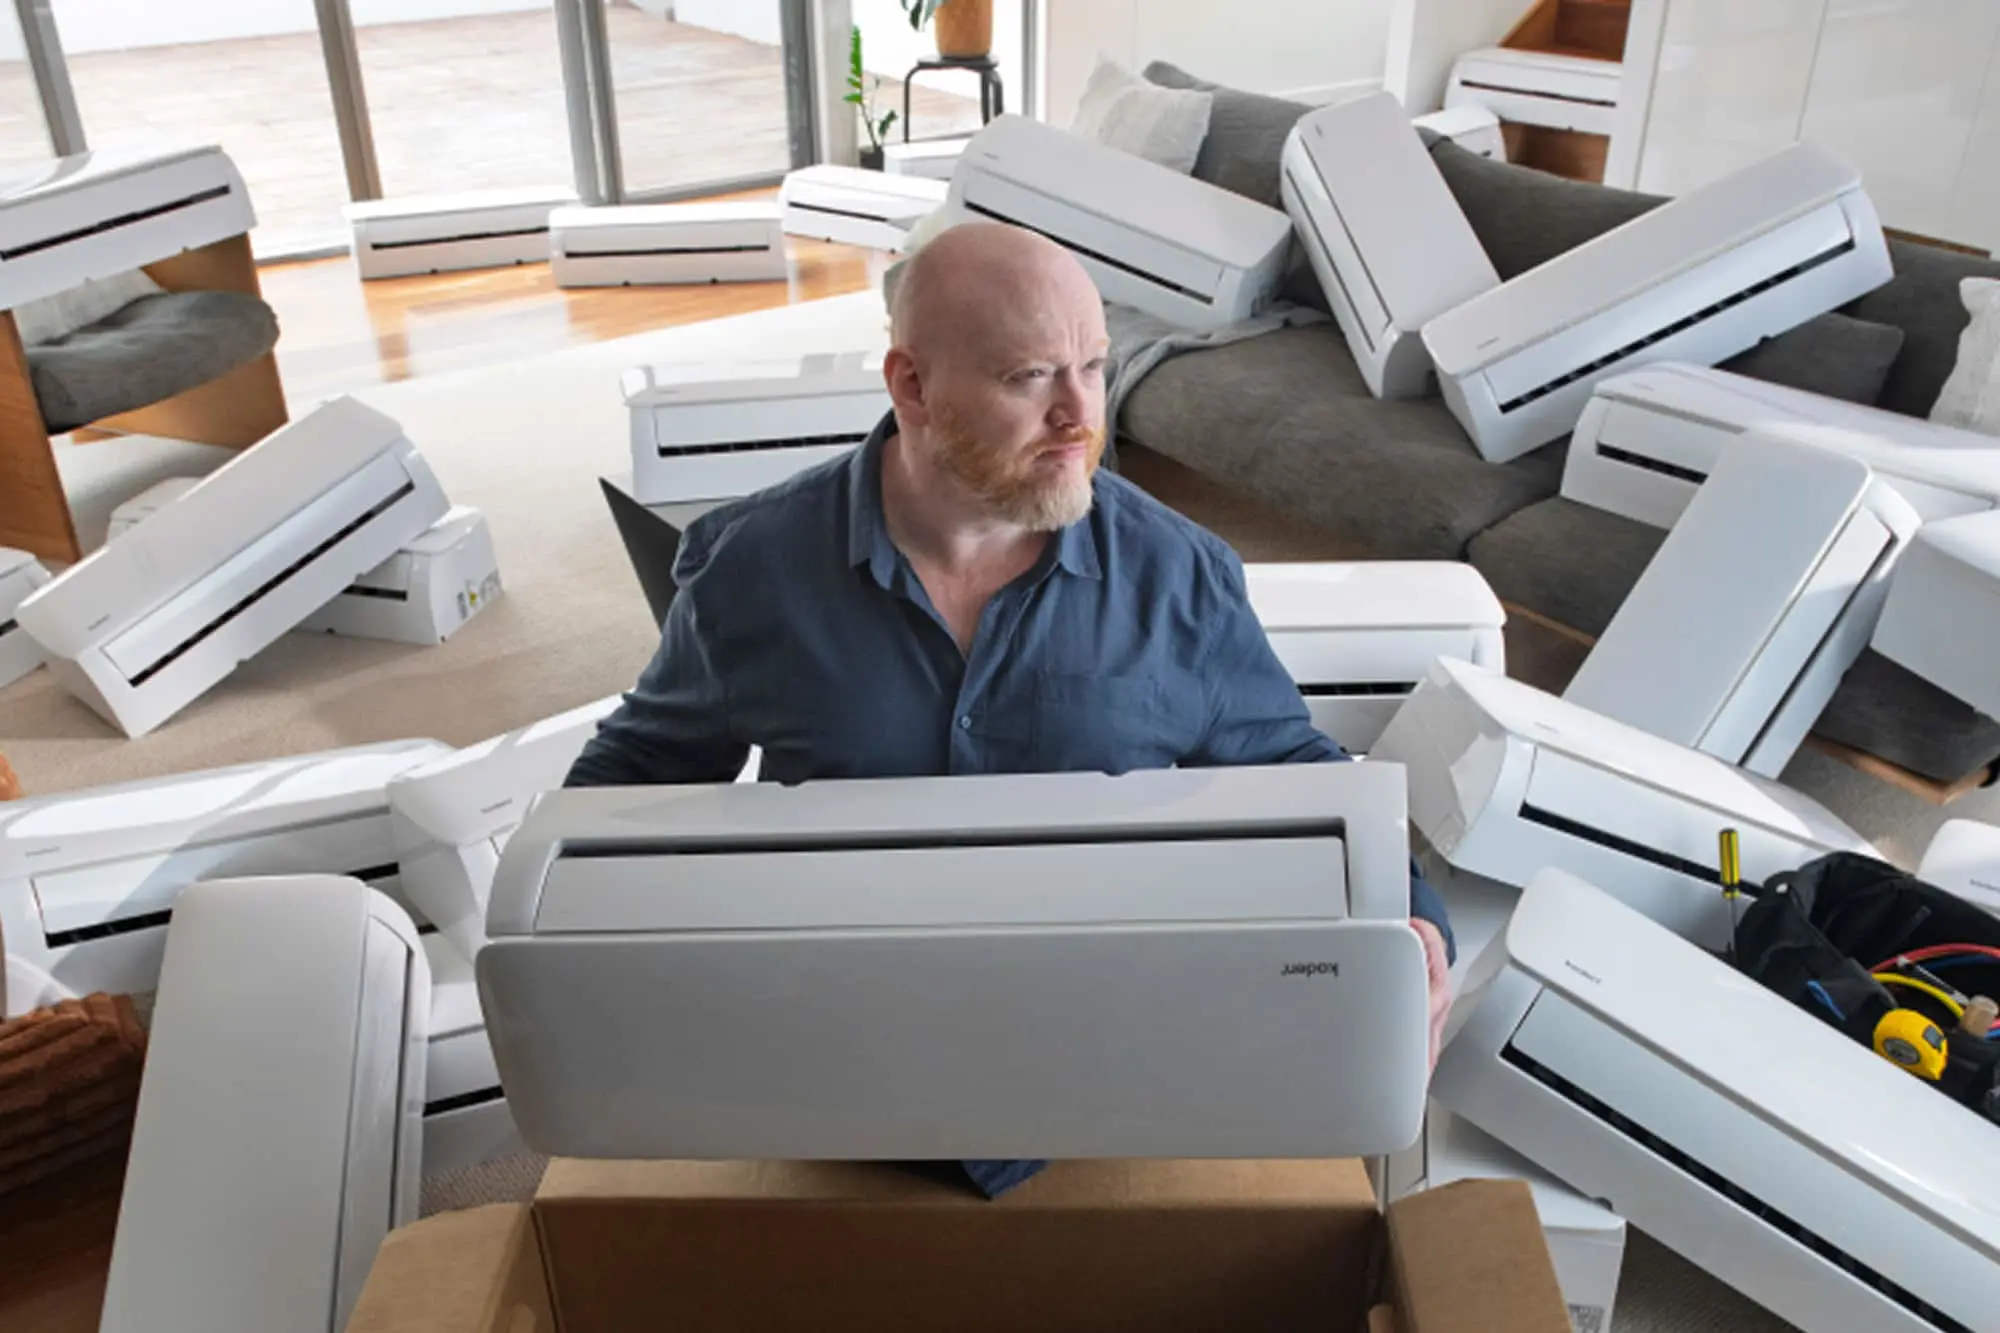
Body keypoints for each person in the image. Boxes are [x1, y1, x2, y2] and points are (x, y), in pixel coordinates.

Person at [566, 220, 1454, 1195]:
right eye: (1029, 377)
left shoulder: (1178, 573)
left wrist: (1410, 918)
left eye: (1093, 366)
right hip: (834, 1072)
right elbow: (628, 782)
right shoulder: (750, 570)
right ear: (909, 385)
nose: (1081, 416)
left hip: (1102, 1073)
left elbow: (1286, 770)